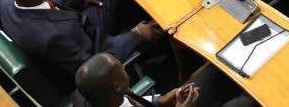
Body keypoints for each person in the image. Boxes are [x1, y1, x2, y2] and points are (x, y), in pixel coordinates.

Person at [0, 0, 159, 89]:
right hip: (97, 48)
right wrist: (136, 33)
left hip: (78, 27)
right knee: (154, 27)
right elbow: (91, 68)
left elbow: (40, 6)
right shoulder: (52, 40)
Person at [71, 52, 253, 107]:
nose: (125, 68)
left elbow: (131, 101)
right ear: (117, 86)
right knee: (243, 103)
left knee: (216, 70)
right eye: (121, 69)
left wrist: (164, 99)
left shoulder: (103, 94)